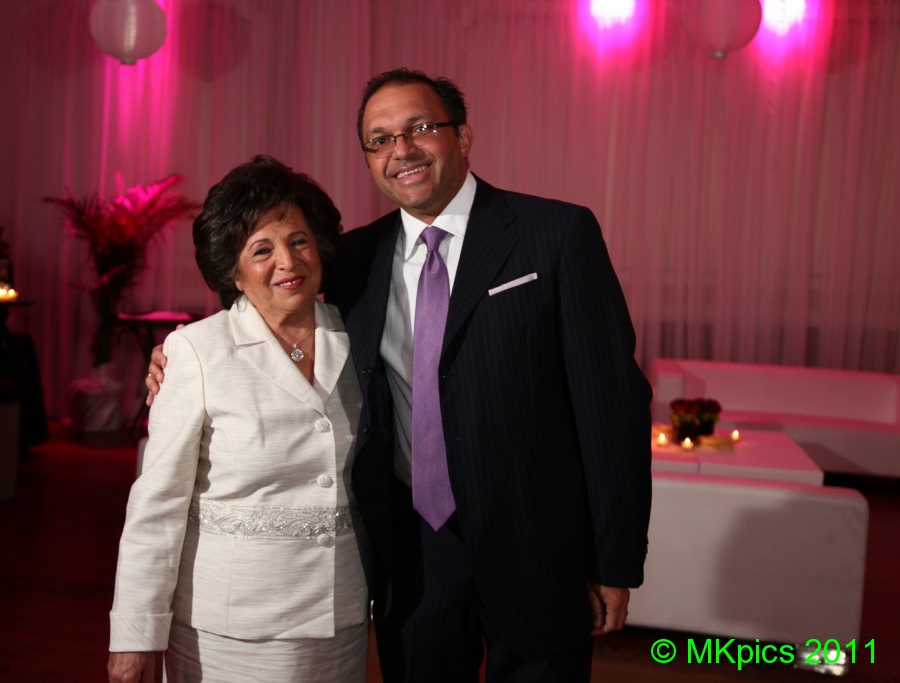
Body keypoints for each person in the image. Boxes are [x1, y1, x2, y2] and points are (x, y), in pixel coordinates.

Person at [148, 69, 652, 682]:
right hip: (413, 552)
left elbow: (612, 407)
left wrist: (613, 558)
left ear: (462, 136)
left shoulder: (555, 235)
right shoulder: (356, 258)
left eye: (420, 128)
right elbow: (275, 301)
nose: (402, 150)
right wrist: (183, 355)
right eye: (380, 140)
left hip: (537, 545)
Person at [109, 155, 370, 683]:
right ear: (232, 269)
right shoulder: (196, 352)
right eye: (262, 249)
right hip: (230, 629)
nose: (287, 261)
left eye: (299, 241)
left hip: (341, 618)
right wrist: (135, 637)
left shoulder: (361, 335)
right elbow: (157, 506)